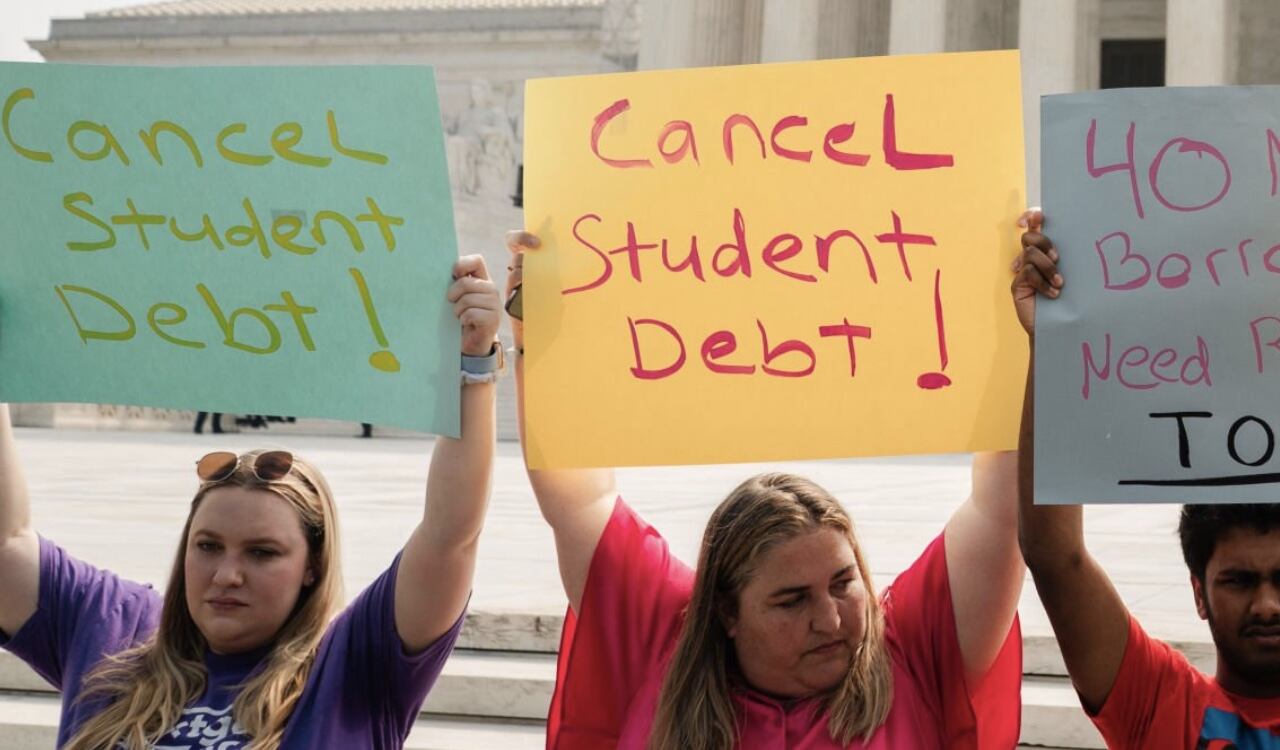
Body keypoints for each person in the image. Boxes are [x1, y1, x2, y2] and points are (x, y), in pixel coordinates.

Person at [503, 231, 1025, 749]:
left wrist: (1025, 331)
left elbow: (1002, 511)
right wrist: (538, 325)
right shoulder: (665, 633)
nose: (830, 618)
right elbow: (579, 501)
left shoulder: (913, 646)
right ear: (727, 613)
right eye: (791, 601)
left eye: (843, 583)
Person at [0, 255, 503, 749]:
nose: (226, 575)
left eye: (262, 552)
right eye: (208, 546)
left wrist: (474, 366)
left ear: (313, 565)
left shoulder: (351, 666)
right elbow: (6, 544)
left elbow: (449, 536)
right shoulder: (112, 629)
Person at [1013, 210, 1280, 748]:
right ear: (1198, 594)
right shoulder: (1161, 701)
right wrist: (1057, 346)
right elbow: (1052, 553)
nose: (1267, 604)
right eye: (1239, 580)